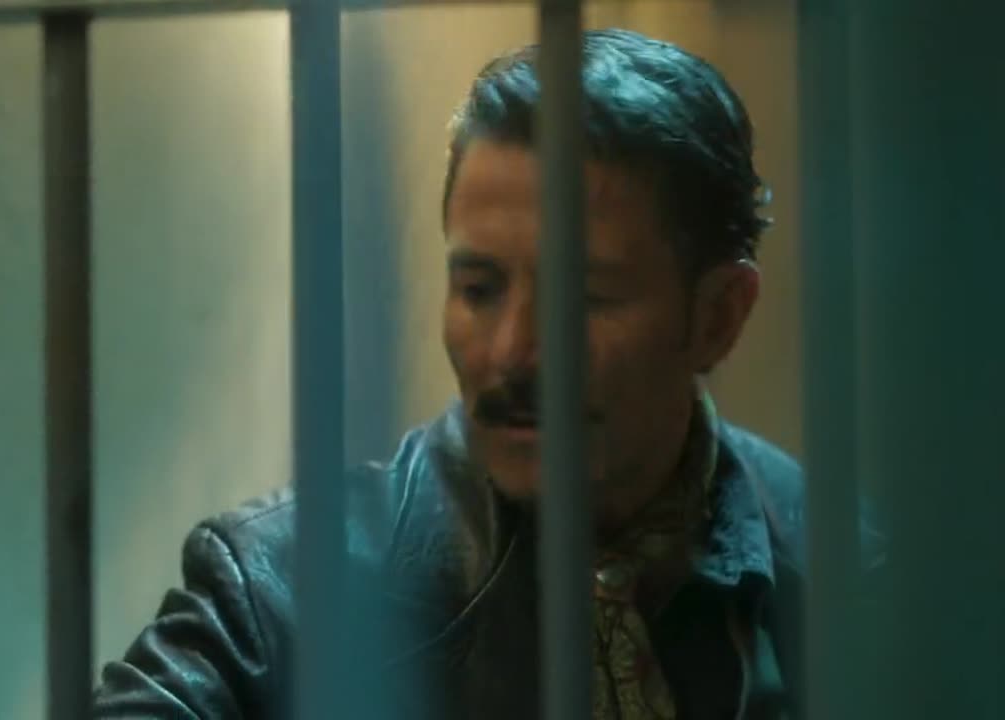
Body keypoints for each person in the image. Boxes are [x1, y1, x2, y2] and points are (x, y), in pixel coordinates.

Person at [93, 28, 884, 720]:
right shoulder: (286, 589)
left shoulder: (852, 575)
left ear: (717, 317)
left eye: (582, 299)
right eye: (478, 288)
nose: (511, 351)